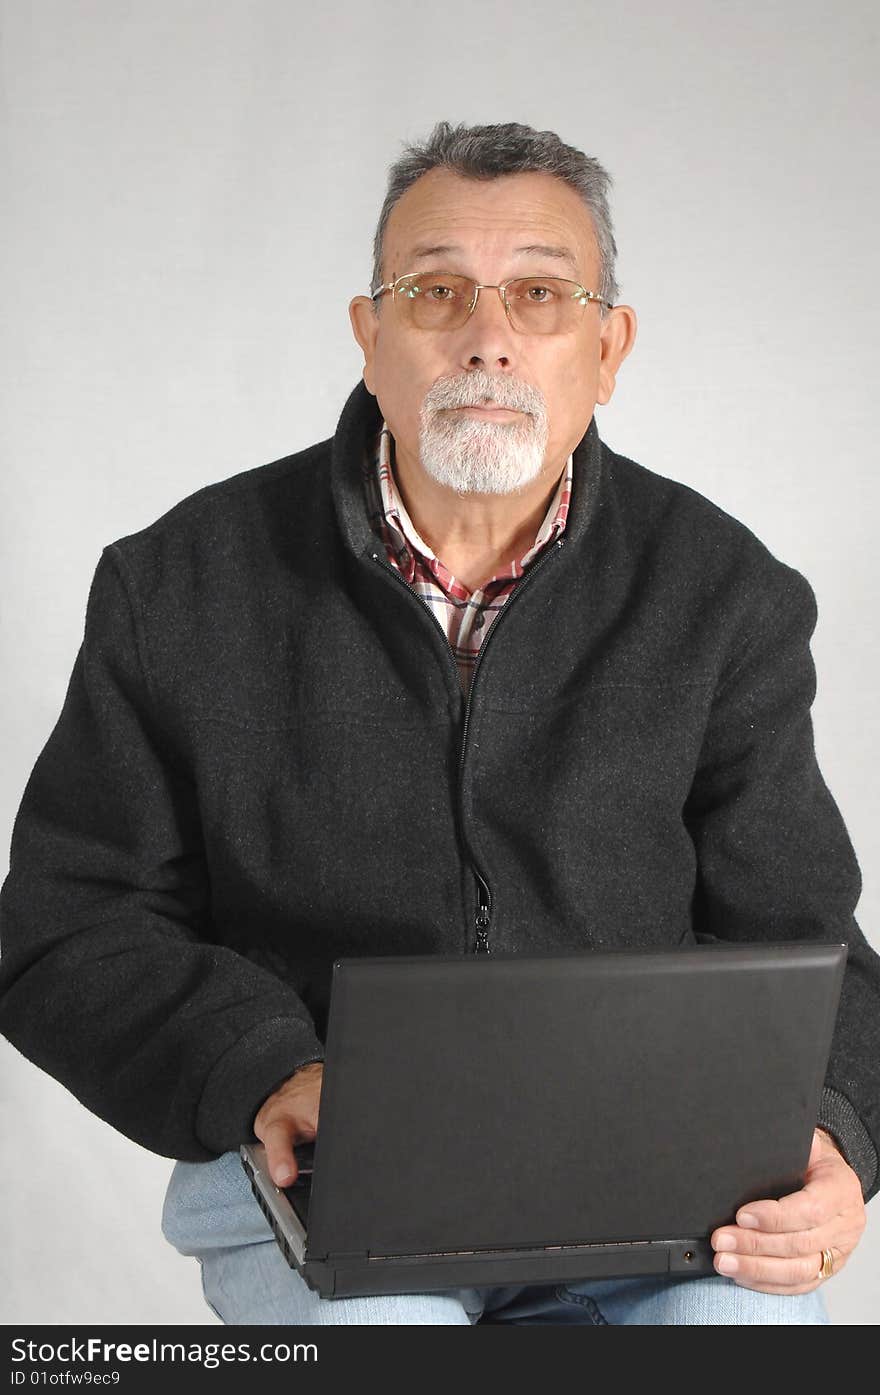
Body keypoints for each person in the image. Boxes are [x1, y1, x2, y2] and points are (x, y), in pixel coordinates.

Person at [0, 120, 875, 1327]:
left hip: (651, 1182)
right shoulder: (180, 587)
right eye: (435, 292)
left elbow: (807, 942)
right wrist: (270, 1071)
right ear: (370, 337)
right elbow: (71, 925)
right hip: (332, 1172)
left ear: (608, 348)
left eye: (539, 293)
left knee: (744, 1332)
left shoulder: (724, 597)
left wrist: (837, 1132)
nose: (487, 338)